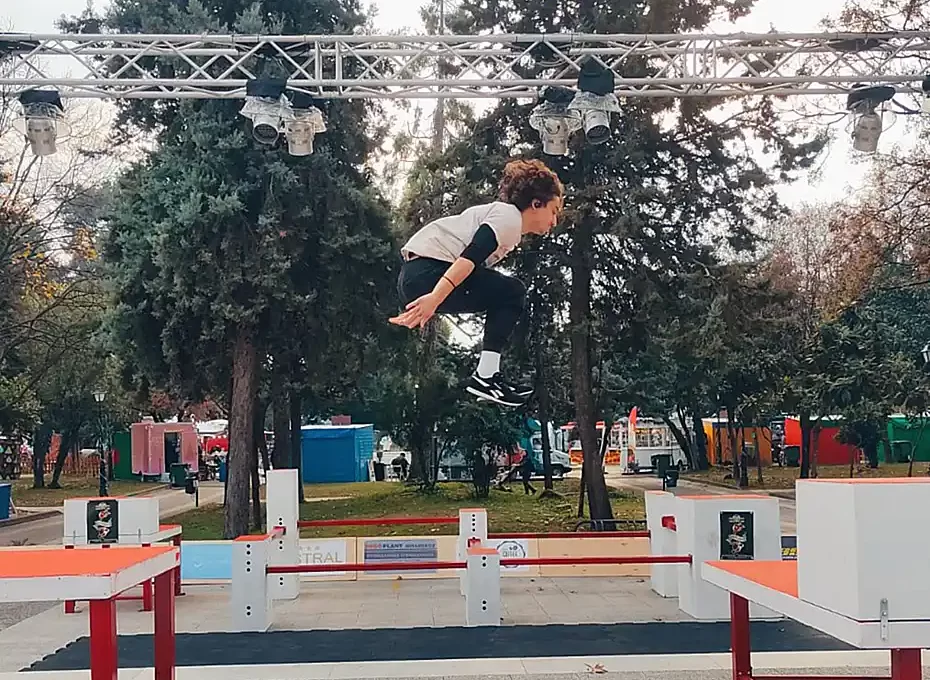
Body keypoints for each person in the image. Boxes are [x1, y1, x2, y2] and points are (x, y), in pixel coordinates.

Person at [390, 159, 564, 407]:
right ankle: (486, 376)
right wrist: (435, 298)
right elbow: (468, 258)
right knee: (513, 292)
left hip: (417, 275)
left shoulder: (505, 223)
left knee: (505, 293)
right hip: (428, 271)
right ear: (536, 204)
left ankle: (487, 375)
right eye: (554, 211)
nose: (554, 222)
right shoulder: (508, 217)